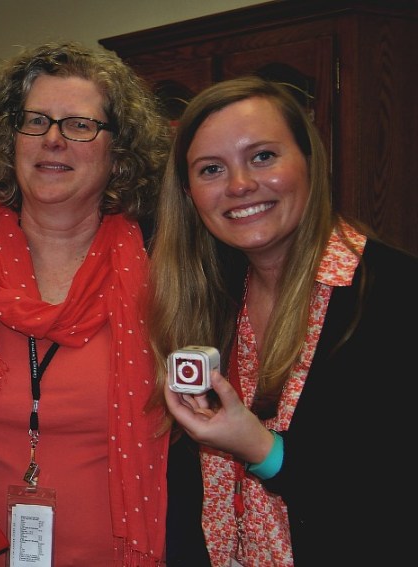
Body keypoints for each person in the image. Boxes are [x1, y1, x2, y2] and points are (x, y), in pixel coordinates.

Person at [147, 76, 418, 566]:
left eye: (263, 156)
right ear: (188, 194)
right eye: (211, 169)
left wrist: (261, 448)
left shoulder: (397, 294)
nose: (239, 185)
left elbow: (392, 495)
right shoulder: (209, 300)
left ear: (310, 161)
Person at [0, 41, 171, 566]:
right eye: (35, 121)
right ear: (10, 137)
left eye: (80, 125)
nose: (53, 139)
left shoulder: (162, 261)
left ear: (118, 149)